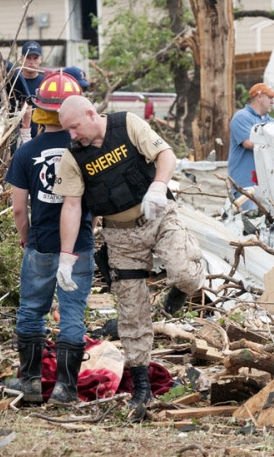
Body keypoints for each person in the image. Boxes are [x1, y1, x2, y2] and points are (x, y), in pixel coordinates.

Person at [53, 95, 205, 421]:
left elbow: (166, 154)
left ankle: (180, 288)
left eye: (75, 127)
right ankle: (141, 388)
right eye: (67, 130)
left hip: (159, 216)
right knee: (132, 314)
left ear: (91, 114)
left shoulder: (127, 124)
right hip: (120, 237)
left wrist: (158, 186)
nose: (72, 135)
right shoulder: (73, 157)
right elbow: (71, 206)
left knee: (185, 274)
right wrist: (66, 257)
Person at [5, 72, 95, 405]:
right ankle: (65, 389)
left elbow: (17, 209)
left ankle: (29, 383)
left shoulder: (27, 152)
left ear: (39, 109)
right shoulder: (86, 148)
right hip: (79, 247)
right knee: (72, 314)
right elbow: (95, 202)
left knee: (31, 311)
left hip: (41, 243)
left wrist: (27, 238)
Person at [228, 82, 274, 208]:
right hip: (245, 184)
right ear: (259, 97)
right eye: (270, 98)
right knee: (250, 222)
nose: (273, 102)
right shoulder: (241, 117)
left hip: (266, 185)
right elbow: (250, 143)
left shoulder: (271, 121)